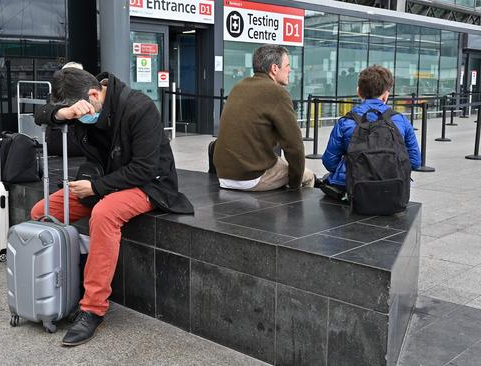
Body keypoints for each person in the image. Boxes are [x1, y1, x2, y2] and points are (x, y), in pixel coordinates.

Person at [32, 68, 193, 346]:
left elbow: (145, 168)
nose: (81, 118)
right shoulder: (83, 102)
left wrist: (96, 188)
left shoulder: (139, 108)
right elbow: (41, 113)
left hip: (148, 184)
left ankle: (93, 308)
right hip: (103, 181)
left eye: (79, 113)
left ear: (94, 95)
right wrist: (63, 115)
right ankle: (64, 285)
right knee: (42, 212)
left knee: (104, 214)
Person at [213, 44, 316, 191]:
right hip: (250, 177)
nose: (290, 70)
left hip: (223, 175)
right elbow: (295, 146)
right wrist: (294, 184)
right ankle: (294, 211)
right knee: (307, 175)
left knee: (279, 162)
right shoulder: (278, 93)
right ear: (274, 68)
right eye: (287, 65)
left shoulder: (238, 87)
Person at [320, 65, 420, 199]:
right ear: (385, 95)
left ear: (358, 92)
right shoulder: (401, 120)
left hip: (353, 188)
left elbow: (329, 161)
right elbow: (415, 161)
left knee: (328, 179)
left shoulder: (346, 121)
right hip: (392, 187)